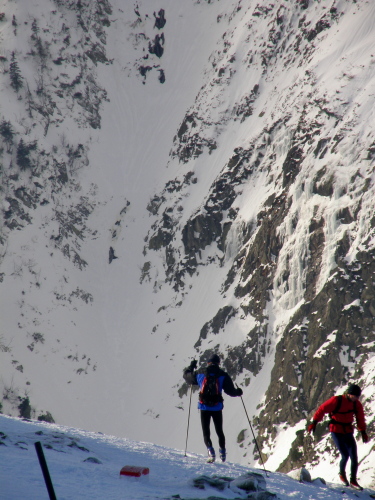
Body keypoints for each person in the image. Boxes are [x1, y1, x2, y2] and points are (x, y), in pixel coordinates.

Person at [308, 384, 369, 490]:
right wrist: (314, 422)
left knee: (354, 456)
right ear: (349, 394)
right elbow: (322, 409)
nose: (356, 398)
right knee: (345, 455)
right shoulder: (337, 401)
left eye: (357, 396)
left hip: (348, 431)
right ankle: (342, 474)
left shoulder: (356, 404)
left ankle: (353, 480)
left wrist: (363, 431)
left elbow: (360, 417)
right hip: (336, 431)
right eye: (355, 396)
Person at [183, 353, 243, 463]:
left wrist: (192, 366)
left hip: (204, 407)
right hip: (217, 407)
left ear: (208, 363)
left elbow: (186, 376)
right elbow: (231, 391)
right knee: (219, 431)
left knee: (206, 432)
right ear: (218, 363)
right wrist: (239, 392)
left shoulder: (200, 373)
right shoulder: (222, 375)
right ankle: (223, 453)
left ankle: (211, 452)